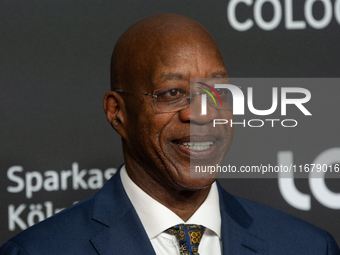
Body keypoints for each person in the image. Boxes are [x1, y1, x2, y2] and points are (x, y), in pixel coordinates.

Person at [1, 13, 339, 255]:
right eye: (172, 93)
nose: (202, 113)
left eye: (216, 91)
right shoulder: (39, 250)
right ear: (117, 113)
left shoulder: (307, 246)